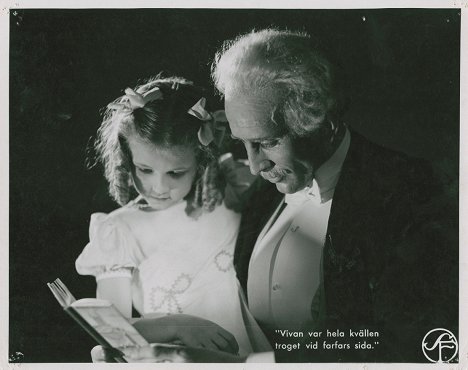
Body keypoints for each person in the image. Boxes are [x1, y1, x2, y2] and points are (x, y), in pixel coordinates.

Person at [94, 29, 458, 363]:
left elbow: (422, 347)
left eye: (267, 142)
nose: (254, 165)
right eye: (244, 144)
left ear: (321, 121)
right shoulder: (257, 194)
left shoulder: (413, 195)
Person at [75, 76, 272, 357]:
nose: (158, 187)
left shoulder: (224, 199)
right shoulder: (119, 229)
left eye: (175, 173)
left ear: (201, 162)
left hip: (248, 356)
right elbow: (110, 331)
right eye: (144, 169)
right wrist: (179, 326)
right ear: (127, 159)